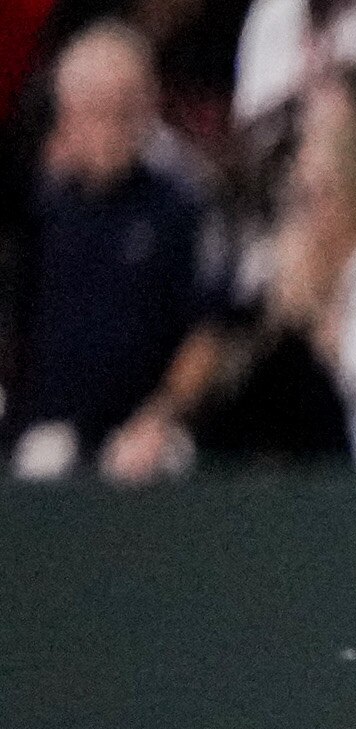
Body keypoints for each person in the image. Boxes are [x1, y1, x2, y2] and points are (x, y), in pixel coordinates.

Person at [101, 69, 356, 482]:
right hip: (293, 493)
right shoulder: (277, 266)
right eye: (304, 196)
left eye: (322, 193)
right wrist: (165, 430)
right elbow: (239, 366)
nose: (309, 212)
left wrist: (316, 307)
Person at [9, 23, 206, 479]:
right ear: (67, 115)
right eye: (97, 110)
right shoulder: (38, 211)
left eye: (127, 108)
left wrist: (159, 417)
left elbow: (207, 331)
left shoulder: (178, 207)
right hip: (49, 434)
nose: (113, 127)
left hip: (149, 435)